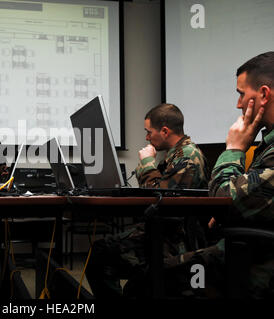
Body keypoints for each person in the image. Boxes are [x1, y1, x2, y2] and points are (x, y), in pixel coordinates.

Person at [85, 103, 209, 298]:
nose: (147, 137)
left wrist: (147, 164)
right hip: (162, 231)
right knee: (103, 255)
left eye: (149, 132)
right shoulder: (176, 155)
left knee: (100, 256)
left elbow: (162, 199)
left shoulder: (188, 156)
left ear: (165, 131)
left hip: (174, 239)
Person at [181, 51, 273, 298]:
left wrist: (234, 149)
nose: (238, 104)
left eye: (241, 94)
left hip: (257, 265)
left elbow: (224, 199)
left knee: (147, 278)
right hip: (252, 250)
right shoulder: (268, 145)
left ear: (263, 94)